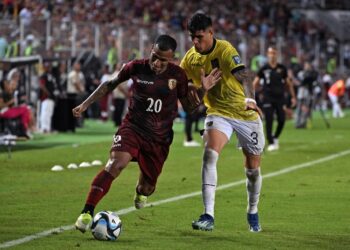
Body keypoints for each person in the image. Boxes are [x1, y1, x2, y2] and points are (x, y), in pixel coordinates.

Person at [73, 34, 221, 233]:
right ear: (151, 49)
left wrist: (203, 90)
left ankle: (140, 192)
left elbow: (190, 107)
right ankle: (87, 212)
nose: (157, 63)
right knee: (115, 164)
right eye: (155, 56)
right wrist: (84, 104)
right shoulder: (135, 67)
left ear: (172, 59)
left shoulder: (178, 75)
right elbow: (110, 84)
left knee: (147, 188)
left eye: (163, 60)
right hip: (133, 127)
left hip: (159, 139)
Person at [180, 13, 265, 232]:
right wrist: (200, 89)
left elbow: (244, 75)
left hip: (245, 114)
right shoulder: (190, 59)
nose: (195, 42)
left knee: (252, 170)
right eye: (192, 38)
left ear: (211, 32)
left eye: (199, 37)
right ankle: (208, 214)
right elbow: (187, 96)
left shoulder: (226, 50)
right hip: (218, 113)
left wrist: (250, 99)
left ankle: (252, 210)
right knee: (209, 153)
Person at [253, 46, 296, 151]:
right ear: (267, 55)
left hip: (280, 97)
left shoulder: (282, 68)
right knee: (269, 119)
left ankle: (275, 136)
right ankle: (270, 142)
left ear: (277, 55)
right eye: (270, 53)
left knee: (282, 119)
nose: (272, 55)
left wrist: (293, 97)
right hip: (268, 97)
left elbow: (288, 83)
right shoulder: (264, 68)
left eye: (274, 53)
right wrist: (250, 97)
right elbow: (255, 83)